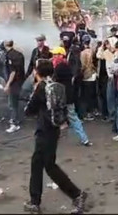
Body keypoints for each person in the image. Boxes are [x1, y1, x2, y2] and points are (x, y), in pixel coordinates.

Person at [23, 60, 88, 214]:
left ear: (37, 72)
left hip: (44, 131)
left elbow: (29, 110)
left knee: (47, 165)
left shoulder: (40, 87)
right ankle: (35, 201)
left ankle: (76, 194)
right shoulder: (56, 85)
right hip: (54, 129)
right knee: (41, 164)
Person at [52, 46, 92, 147]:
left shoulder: (60, 67)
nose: (53, 56)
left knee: (58, 118)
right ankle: (84, 139)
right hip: (67, 97)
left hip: (62, 98)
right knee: (72, 118)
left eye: (55, 54)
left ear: (61, 55)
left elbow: (54, 80)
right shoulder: (65, 65)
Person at [4, 40, 26, 134]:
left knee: (13, 103)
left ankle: (14, 123)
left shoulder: (9, 55)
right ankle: (15, 119)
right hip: (20, 80)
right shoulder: (19, 54)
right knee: (13, 102)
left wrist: (8, 84)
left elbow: (13, 71)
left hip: (14, 82)